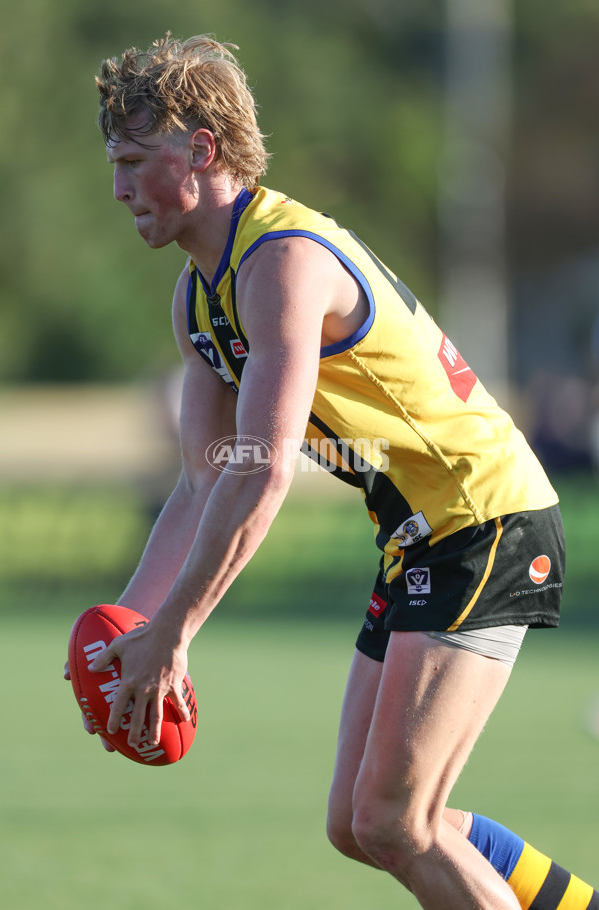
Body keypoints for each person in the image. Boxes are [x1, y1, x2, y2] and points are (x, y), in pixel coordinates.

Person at [64, 34, 597, 909]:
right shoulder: (199, 295)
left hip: (483, 521)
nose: (118, 188)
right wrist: (134, 628)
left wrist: (176, 633)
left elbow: (261, 474)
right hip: (422, 538)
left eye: (133, 160)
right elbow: (203, 479)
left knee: (398, 821)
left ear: (201, 149)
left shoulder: (282, 262)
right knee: (359, 825)